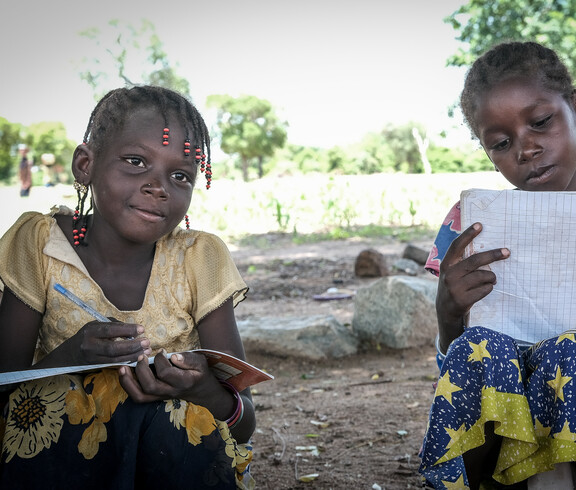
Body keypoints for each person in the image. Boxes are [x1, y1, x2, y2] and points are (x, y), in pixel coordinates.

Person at [0, 86, 255, 489]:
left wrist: (205, 388)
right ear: (85, 164)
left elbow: (244, 426)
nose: (159, 187)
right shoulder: (39, 245)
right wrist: (71, 356)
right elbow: (4, 393)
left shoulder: (199, 259)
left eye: (180, 176)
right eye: (136, 162)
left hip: (172, 466)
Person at [418, 41, 576, 489]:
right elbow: (456, 364)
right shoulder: (473, 225)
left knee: (568, 352)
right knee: (479, 347)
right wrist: (448, 312)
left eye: (541, 122)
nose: (526, 149)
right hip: (507, 428)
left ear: (574, 106)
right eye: (502, 144)